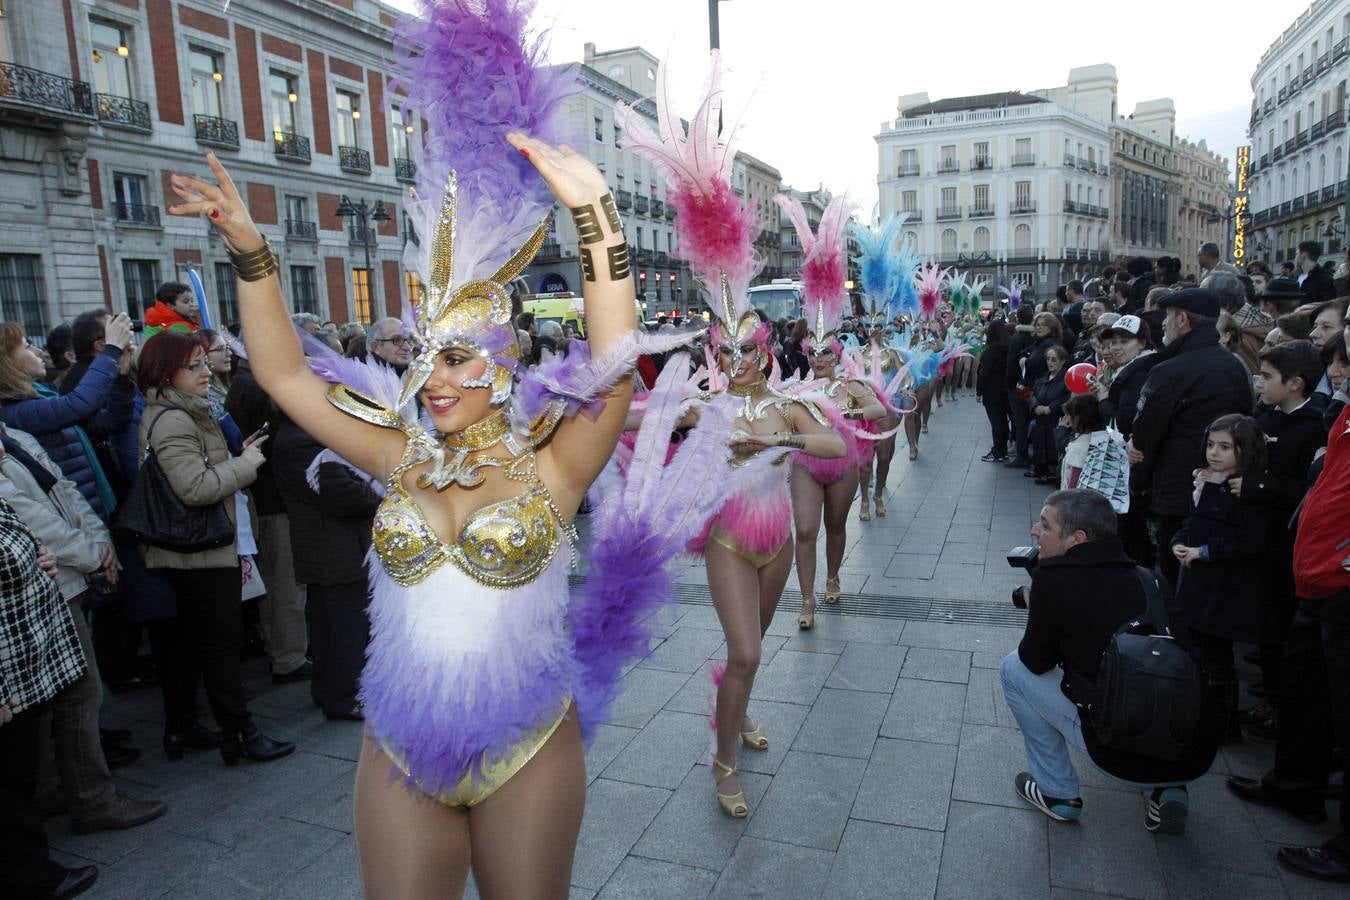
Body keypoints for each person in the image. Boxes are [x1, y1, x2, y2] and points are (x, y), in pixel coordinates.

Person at [168, 14, 657, 886]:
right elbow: (284, 379)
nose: (434, 377)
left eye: (459, 357)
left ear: (504, 366)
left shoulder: (554, 465)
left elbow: (617, 365)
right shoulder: (399, 455)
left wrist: (597, 219)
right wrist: (250, 254)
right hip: (396, 747)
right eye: (427, 355)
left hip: (526, 745)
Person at [1001, 489, 1219, 832]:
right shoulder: (1152, 579)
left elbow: (1035, 662)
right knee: (1154, 675)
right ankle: (1167, 790)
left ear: (1077, 539)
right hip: (1193, 750)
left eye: (1045, 525)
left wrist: (1041, 612)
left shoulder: (1053, 581)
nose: (1034, 531)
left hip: (1116, 751)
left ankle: (1057, 793)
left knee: (1013, 670)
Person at [1227, 324, 1350, 882]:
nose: (1339, 372)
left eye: (1342, 362)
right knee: (1307, 689)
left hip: (1336, 576)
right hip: (1315, 576)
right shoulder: (1336, 417)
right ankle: (1294, 786)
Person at [0, 424, 168, 834]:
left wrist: (99, 542)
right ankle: (92, 801)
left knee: (65, 695)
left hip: (66, 572)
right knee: (80, 693)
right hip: (43, 582)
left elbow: (65, 489)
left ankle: (54, 788)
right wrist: (93, 553)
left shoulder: (14, 436)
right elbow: (32, 520)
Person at [135, 331, 293, 766]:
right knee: (220, 645)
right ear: (168, 372)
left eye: (206, 362)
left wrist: (236, 457)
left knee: (199, 644)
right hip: (200, 550)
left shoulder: (184, 411)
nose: (207, 372)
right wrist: (245, 466)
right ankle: (239, 734)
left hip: (202, 548)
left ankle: (198, 727)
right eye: (195, 366)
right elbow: (194, 487)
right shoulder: (174, 419)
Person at [782, 192, 885, 629]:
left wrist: (848, 416)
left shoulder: (851, 383)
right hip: (807, 463)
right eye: (814, 352)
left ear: (836, 354)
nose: (820, 358)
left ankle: (833, 576)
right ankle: (806, 601)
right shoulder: (796, 385)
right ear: (807, 353)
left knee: (836, 526)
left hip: (843, 460)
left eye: (827, 352)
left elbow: (879, 412)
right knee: (805, 529)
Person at [0, 498, 101, 900]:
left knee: (17, 774)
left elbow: (16, 540)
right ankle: (30, 879)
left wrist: (36, 558)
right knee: (7, 782)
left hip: (20, 670)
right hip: (6, 679)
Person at [1128, 288, 1252, 589]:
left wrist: (1139, 484)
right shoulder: (1235, 365)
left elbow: (1146, 434)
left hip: (1176, 487)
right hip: (1225, 487)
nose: (1164, 325)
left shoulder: (1169, 370)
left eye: (1168, 318)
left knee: (1173, 570)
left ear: (1183, 319)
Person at [1239, 341, 1330, 741]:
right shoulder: (1267, 417)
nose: (1259, 383)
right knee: (1264, 622)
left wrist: (1257, 484)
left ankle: (1279, 705)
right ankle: (1270, 698)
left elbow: (1303, 489)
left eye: (1267, 377)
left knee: (1280, 625)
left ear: (1295, 383)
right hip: (1258, 535)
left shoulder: (1313, 427)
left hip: (1285, 540)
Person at [271, 411, 379, 720]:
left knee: (328, 626)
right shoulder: (304, 439)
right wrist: (382, 490)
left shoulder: (303, 432)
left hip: (331, 547)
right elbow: (341, 494)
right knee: (346, 628)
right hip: (334, 548)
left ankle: (328, 689)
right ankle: (344, 698)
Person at [1169, 414, 1268, 739]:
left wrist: (1204, 551)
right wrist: (1180, 543)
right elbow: (1191, 522)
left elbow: (1249, 542)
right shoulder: (1204, 480)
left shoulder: (1248, 491)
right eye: (1211, 445)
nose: (1215, 452)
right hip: (1197, 581)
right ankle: (1202, 713)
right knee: (1198, 648)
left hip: (1224, 586)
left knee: (1217, 656)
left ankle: (1223, 724)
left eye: (1225, 447)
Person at [1027, 345, 1069, 485]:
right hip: (1040, 418)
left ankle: (1052, 471)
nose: (1050, 363)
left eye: (1054, 360)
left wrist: (1050, 408)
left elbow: (1066, 397)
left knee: (1052, 443)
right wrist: (1036, 406)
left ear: (1062, 361)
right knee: (1040, 441)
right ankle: (1042, 469)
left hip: (1055, 418)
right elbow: (1033, 395)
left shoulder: (1065, 379)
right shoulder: (1042, 378)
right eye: (1048, 359)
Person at [1004, 304, 1037, 468]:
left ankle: (1022, 454)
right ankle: (1026, 452)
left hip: (1017, 385)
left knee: (1020, 420)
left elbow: (1011, 363)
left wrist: (1009, 383)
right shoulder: (1035, 336)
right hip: (1031, 383)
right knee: (1026, 419)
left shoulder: (1017, 338)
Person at [979, 318, 1011, 461]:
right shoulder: (1010, 348)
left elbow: (984, 374)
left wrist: (979, 391)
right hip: (1006, 390)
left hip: (991, 391)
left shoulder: (990, 352)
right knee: (1003, 421)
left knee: (996, 422)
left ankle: (998, 450)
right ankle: (1003, 449)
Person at [1058, 393, 1104, 490]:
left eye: (1069, 415)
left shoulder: (1079, 448)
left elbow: (1073, 484)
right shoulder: (1100, 440)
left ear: (1077, 418)